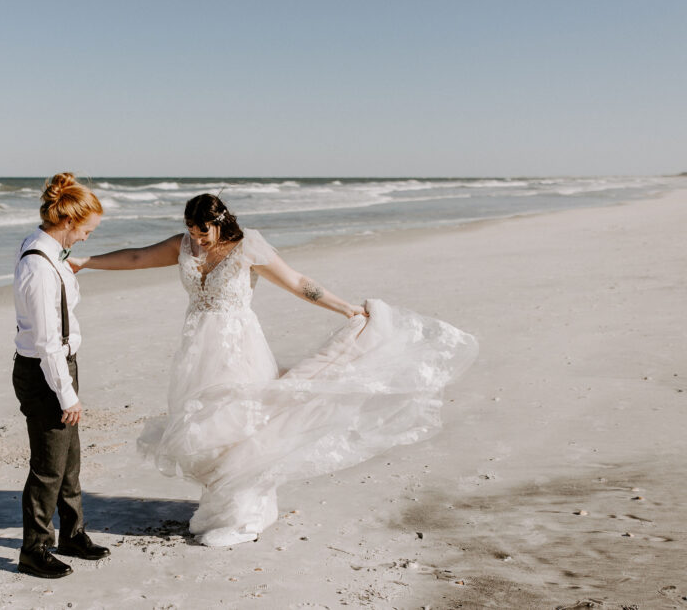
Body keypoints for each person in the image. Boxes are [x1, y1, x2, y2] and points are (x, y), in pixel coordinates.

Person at [69, 193, 477, 547]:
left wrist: (347, 308)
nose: (196, 238)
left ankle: (245, 516)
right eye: (191, 230)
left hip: (239, 347)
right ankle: (222, 508)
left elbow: (298, 282)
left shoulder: (248, 248)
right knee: (207, 427)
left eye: (203, 231)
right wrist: (86, 261)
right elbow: (138, 257)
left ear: (220, 222)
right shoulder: (183, 245)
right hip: (197, 350)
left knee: (244, 424)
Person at [12, 173, 110, 577]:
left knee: (70, 460)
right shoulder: (38, 265)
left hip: (59, 366)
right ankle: (33, 549)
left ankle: (72, 534)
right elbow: (47, 341)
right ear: (68, 222)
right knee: (48, 467)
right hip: (43, 372)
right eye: (86, 230)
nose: (87, 237)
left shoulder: (52, 254)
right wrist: (67, 394)